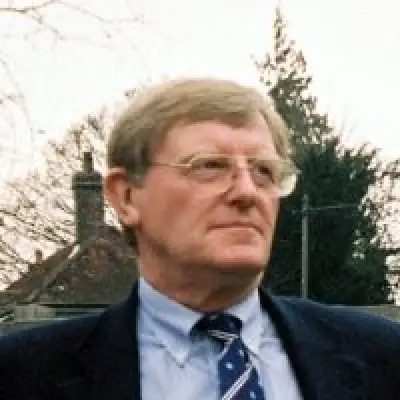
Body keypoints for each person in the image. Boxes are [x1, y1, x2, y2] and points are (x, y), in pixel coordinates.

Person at [0, 78, 399, 400]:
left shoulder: (381, 357)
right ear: (126, 196)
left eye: (264, 171)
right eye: (210, 166)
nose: (247, 192)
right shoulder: (22, 375)